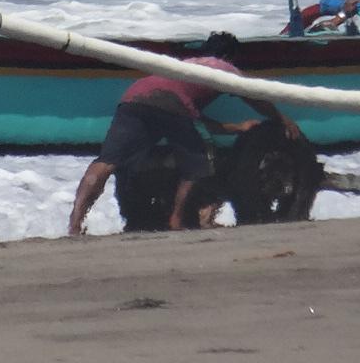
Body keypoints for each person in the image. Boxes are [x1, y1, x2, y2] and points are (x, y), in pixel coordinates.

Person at [67, 31, 300, 236]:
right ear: (230, 56)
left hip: (134, 97)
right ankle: (176, 220)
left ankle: (75, 224)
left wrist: (236, 128)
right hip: (172, 103)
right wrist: (281, 118)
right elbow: (254, 95)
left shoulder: (183, 65)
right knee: (199, 161)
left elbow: (191, 117)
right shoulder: (224, 67)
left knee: (107, 162)